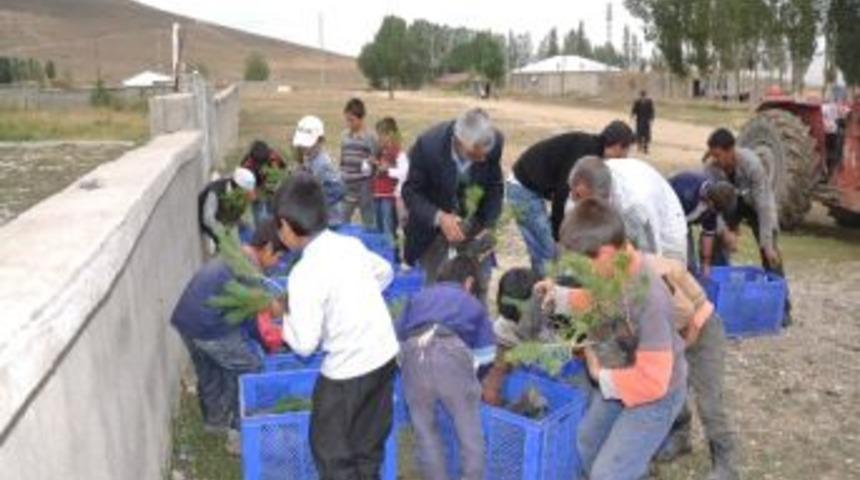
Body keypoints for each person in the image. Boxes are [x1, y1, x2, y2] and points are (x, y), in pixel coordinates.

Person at [545, 198, 687, 480]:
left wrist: (601, 376)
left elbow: (653, 382)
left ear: (607, 252)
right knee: (587, 443)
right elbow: (600, 300)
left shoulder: (650, 297)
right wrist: (560, 297)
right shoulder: (616, 268)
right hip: (624, 375)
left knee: (608, 474)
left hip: (656, 394)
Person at [273, 173, 399, 479]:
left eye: (279, 225)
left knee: (331, 453)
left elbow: (304, 344)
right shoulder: (349, 245)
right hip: (383, 357)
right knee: (368, 446)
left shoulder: (303, 273)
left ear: (288, 226)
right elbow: (384, 272)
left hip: (346, 373)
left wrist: (285, 313)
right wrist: (352, 300)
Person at [170, 223, 284, 453]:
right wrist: (269, 343)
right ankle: (238, 437)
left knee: (211, 371)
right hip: (210, 327)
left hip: (187, 321)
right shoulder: (249, 270)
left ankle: (214, 424)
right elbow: (251, 321)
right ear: (268, 248)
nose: (278, 263)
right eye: (279, 256)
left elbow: (239, 314)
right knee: (250, 368)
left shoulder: (237, 256)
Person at [395, 255, 496, 480]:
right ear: (469, 282)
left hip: (414, 355)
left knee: (425, 432)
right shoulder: (471, 303)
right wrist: (474, 380)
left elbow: (397, 338)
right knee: (469, 435)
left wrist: (408, 366)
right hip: (451, 356)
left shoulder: (418, 296)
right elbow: (487, 355)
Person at [647, 254, 739, 480]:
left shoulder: (656, 273)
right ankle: (681, 437)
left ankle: (726, 463)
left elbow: (700, 313)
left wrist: (676, 352)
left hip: (703, 331)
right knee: (669, 392)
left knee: (709, 402)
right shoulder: (616, 279)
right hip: (672, 336)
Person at [507, 121, 635, 275]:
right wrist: (558, 235)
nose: (625, 157)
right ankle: (546, 293)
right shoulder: (586, 154)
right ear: (618, 146)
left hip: (529, 188)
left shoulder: (591, 150)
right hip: (522, 189)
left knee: (546, 251)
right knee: (547, 253)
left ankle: (544, 286)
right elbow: (563, 194)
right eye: (626, 150)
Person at [402, 108, 504, 296]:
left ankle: (475, 320)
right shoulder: (427, 146)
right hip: (432, 231)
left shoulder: (493, 144)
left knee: (478, 284)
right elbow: (411, 192)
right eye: (475, 154)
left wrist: (490, 224)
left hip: (474, 226)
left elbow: (494, 186)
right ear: (460, 142)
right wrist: (439, 217)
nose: (482, 159)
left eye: (485, 155)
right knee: (432, 289)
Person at [704, 128, 791, 324]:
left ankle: (783, 308)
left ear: (731, 150)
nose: (715, 160)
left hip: (754, 205)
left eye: (718, 155)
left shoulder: (752, 164)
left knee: (771, 253)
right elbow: (710, 209)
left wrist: (767, 243)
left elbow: (764, 204)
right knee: (717, 244)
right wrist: (725, 232)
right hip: (728, 204)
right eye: (713, 155)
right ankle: (719, 301)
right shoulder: (710, 169)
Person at [568, 156, 688, 264]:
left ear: (603, 197)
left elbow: (651, 250)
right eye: (576, 195)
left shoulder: (634, 205)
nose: (576, 201)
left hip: (665, 225)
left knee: (665, 272)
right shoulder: (583, 185)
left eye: (582, 199)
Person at [668, 171, 737, 275]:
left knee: (690, 267)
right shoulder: (686, 191)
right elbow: (669, 224)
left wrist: (706, 264)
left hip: (683, 223)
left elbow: (708, 234)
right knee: (677, 262)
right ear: (710, 202)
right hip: (666, 219)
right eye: (714, 209)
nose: (714, 213)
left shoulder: (713, 204)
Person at [293, 115, 347, 227]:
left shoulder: (322, 163)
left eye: (307, 145)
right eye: (302, 145)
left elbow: (339, 189)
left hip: (330, 219)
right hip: (317, 216)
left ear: (320, 140)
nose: (304, 148)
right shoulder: (309, 158)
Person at [340, 97, 379, 228]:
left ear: (361, 118)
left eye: (352, 120)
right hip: (346, 187)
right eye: (347, 120)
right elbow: (343, 158)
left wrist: (371, 163)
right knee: (341, 220)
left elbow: (376, 160)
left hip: (364, 188)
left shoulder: (371, 137)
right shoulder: (344, 135)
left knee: (369, 222)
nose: (348, 123)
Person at [198, 167, 257, 249]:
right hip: (213, 225)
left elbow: (239, 216)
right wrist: (225, 236)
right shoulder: (214, 192)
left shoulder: (239, 196)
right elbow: (208, 219)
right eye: (246, 192)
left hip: (226, 222)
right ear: (238, 188)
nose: (248, 195)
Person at [373, 117, 410, 241]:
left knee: (388, 230)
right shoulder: (380, 151)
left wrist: (388, 170)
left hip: (389, 196)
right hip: (378, 194)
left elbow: (404, 172)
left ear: (389, 135)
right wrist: (370, 164)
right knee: (378, 229)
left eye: (381, 136)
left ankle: (391, 256)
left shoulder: (398, 152)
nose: (378, 139)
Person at [240, 140, 287, 226]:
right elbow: (245, 185)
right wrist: (250, 193)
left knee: (273, 212)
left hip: (272, 188)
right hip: (256, 187)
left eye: (262, 163)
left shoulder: (274, 157)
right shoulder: (247, 164)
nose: (260, 166)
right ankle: (261, 234)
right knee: (259, 215)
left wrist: (278, 183)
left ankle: (274, 230)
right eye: (258, 163)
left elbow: (284, 171)